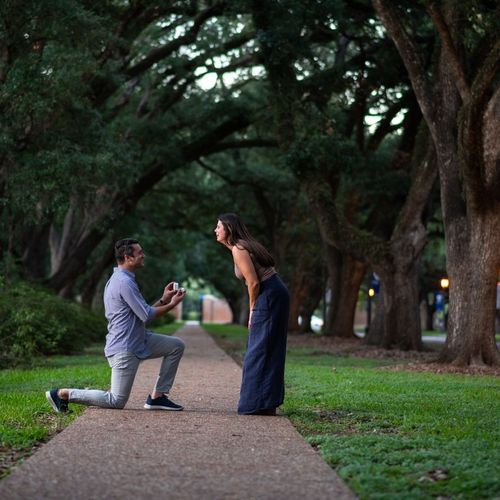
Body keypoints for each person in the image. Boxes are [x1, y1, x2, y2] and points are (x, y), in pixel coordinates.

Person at [46, 238, 186, 413]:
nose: (143, 256)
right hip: (125, 347)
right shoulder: (123, 282)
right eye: (140, 253)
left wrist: (164, 299)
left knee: (176, 346)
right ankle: (62, 394)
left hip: (139, 340)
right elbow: (147, 315)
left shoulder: (125, 279)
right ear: (128, 258)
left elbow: (142, 312)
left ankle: (158, 397)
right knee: (116, 400)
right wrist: (172, 305)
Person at [215, 213, 289, 416]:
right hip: (274, 292)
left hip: (269, 294)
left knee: (259, 349)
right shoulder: (241, 246)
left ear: (228, 229)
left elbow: (254, 282)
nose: (216, 230)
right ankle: (264, 404)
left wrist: (252, 309)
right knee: (264, 347)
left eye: (219, 226)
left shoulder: (239, 249)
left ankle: (256, 404)